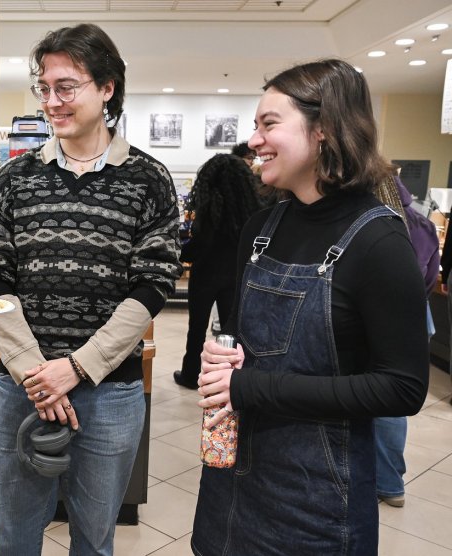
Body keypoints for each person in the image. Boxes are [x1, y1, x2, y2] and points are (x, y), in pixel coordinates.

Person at [192, 59, 429, 555]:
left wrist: (250, 386)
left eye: (269, 124)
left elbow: (402, 388)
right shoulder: (260, 229)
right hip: (232, 481)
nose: (254, 140)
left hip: (318, 496)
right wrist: (223, 355)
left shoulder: (379, 242)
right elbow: (241, 334)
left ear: (324, 129)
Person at [0, 23, 181, 555]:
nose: (51, 101)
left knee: (94, 540)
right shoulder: (14, 178)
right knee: (13, 540)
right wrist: (35, 372)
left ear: (107, 87)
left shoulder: (148, 178)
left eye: (66, 87)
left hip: (110, 391)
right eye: (43, 88)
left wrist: (78, 367)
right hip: (21, 387)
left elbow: (153, 284)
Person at [373, 174, 439, 508]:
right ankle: (390, 482)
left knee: (372, 394)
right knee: (395, 398)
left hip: (378, 314)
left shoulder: (374, 223)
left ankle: (377, 479)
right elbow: (430, 276)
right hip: (417, 313)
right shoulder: (422, 224)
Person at [173, 154, 260, 389]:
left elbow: (199, 245)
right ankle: (229, 377)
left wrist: (179, 252)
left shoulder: (210, 208)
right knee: (231, 332)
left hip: (205, 276)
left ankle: (190, 374)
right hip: (235, 276)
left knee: (197, 328)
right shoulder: (249, 209)